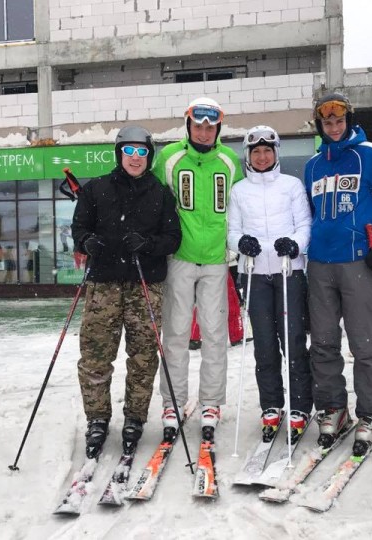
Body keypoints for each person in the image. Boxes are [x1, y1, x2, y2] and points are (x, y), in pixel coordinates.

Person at [303, 93, 372, 454]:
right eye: (327, 122)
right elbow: (310, 214)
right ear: (320, 126)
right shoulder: (313, 166)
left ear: (348, 121)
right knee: (322, 341)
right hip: (319, 263)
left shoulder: (369, 154)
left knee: (365, 342)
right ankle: (333, 408)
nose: (334, 127)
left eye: (339, 121)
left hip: (359, 263)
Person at [71, 125, 182, 458]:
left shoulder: (160, 193)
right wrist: (86, 241)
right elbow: (79, 227)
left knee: (143, 355)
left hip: (144, 284)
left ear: (149, 155)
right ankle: (97, 419)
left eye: (142, 152)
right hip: (103, 284)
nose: (135, 158)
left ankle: (135, 417)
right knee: (95, 355)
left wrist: (148, 244)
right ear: (119, 154)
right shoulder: (96, 189)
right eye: (129, 151)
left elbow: (173, 238)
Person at [152, 97, 244, 438]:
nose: (204, 133)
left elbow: (239, 208)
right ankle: (172, 402)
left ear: (217, 129)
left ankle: (211, 402)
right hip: (179, 258)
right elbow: (154, 202)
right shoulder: (170, 157)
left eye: (210, 127)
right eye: (198, 126)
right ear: (188, 125)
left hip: (216, 260)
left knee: (214, 334)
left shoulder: (229, 160)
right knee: (176, 333)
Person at [227, 125, 313, 441]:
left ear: (276, 153)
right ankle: (271, 405)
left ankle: (300, 406)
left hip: (288, 272)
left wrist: (295, 244)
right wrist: (241, 243)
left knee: (293, 341)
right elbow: (232, 230)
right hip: (254, 274)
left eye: (267, 151)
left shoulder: (291, 186)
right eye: (256, 152)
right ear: (248, 156)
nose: (262, 157)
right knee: (264, 344)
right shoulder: (239, 190)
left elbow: (305, 224)